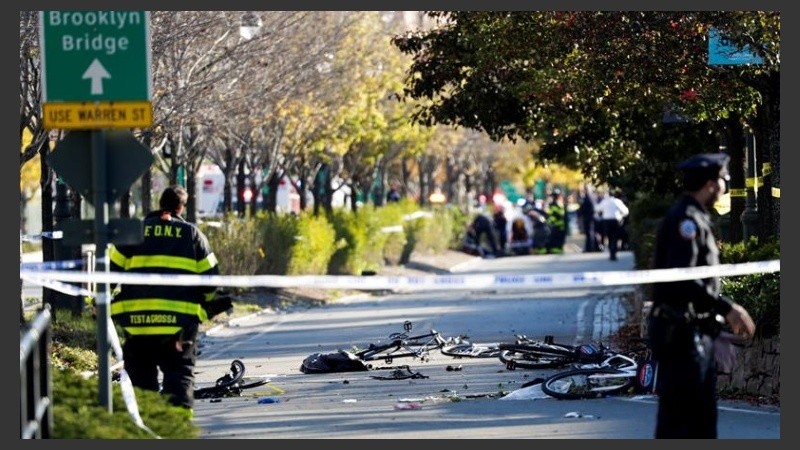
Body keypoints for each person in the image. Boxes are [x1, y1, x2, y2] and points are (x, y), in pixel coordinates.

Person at [646, 153, 756, 439]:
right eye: (723, 180)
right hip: (679, 336)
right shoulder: (686, 221)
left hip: (689, 332)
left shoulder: (694, 216)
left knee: (700, 422)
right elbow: (684, 279)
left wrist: (712, 330)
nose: (724, 185)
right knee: (683, 424)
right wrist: (729, 308)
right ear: (710, 184)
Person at [109, 185, 230, 410]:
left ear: (160, 203)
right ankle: (178, 425)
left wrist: (98, 305)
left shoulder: (132, 234)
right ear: (181, 207)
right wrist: (205, 309)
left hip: (138, 326)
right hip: (178, 328)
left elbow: (108, 275)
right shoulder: (192, 235)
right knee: (178, 379)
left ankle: (148, 425)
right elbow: (211, 282)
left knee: (141, 385)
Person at [596, 188, 629, 261]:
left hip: (606, 221)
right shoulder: (617, 201)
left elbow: (597, 209)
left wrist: (602, 214)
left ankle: (611, 252)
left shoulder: (605, 201)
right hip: (615, 220)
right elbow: (626, 211)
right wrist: (621, 216)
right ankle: (613, 252)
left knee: (609, 237)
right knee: (615, 237)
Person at [577, 184, 599, 252]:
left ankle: (590, 248)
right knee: (591, 233)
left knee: (589, 233)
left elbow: (585, 208)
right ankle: (593, 247)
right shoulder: (593, 197)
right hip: (591, 218)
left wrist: (580, 212)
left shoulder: (588, 197)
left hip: (588, 218)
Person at [545, 189, 567, 254]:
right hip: (556, 225)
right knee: (556, 238)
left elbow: (560, 214)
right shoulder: (556, 204)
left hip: (557, 225)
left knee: (557, 238)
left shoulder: (556, 204)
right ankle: (556, 250)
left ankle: (556, 249)